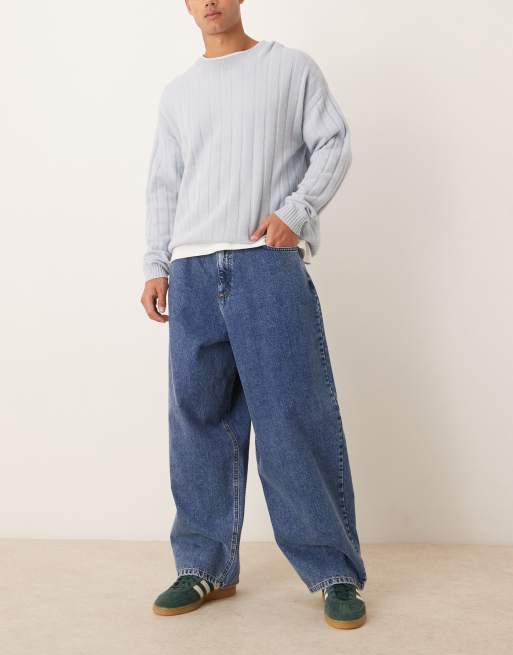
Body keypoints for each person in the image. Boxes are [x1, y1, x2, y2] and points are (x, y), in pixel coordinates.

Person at [140, 0, 368, 630]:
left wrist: (297, 211)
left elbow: (333, 143)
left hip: (265, 264)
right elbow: (164, 184)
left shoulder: (289, 68)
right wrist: (156, 263)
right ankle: (204, 564)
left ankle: (334, 571)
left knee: (293, 414)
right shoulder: (178, 93)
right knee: (198, 421)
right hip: (191, 270)